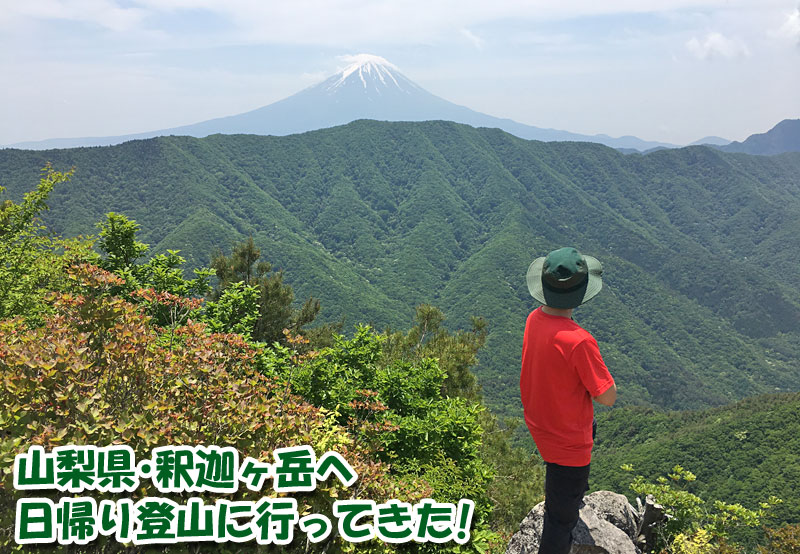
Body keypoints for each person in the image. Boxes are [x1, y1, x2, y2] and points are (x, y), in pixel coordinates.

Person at [520, 246, 616, 554]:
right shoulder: (579, 341)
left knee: (588, 434)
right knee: (559, 521)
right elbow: (606, 396)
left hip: (540, 423)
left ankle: (573, 493)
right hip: (568, 445)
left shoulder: (534, 319)